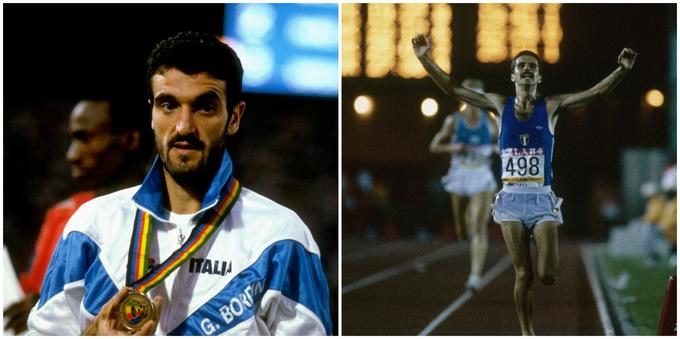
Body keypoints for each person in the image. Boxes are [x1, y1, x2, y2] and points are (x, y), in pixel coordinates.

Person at [26, 31, 332, 335]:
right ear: (152, 113)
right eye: (168, 105)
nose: (184, 126)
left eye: (204, 107)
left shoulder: (280, 239)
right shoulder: (91, 227)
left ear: (234, 117)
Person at [413, 34, 636, 335]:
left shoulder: (552, 106)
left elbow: (595, 93)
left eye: (533, 66)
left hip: (542, 198)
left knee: (547, 275)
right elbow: (453, 88)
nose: (527, 69)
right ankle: (527, 332)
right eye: (522, 66)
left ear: (539, 75)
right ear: (513, 75)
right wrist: (425, 59)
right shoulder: (497, 105)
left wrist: (621, 70)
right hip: (511, 201)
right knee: (523, 273)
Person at [4, 96, 148, 334]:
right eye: (72, 139)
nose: (72, 155)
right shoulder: (61, 215)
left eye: (85, 138)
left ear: (129, 140)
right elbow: (28, 298)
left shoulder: (169, 216)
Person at [429, 78, 498, 292]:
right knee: (464, 227)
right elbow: (434, 147)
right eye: (470, 97)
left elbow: (506, 144)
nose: (475, 102)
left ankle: (475, 276)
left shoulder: (492, 123)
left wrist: (497, 149)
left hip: (481, 175)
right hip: (459, 173)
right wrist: (453, 147)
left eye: (478, 97)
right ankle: (466, 225)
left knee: (478, 227)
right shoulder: (454, 121)